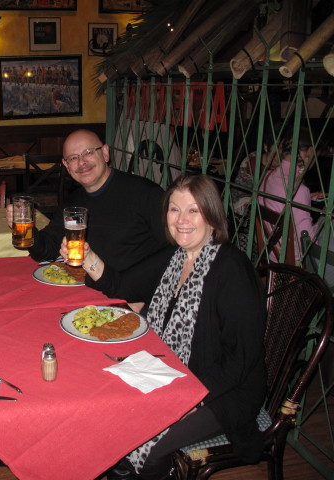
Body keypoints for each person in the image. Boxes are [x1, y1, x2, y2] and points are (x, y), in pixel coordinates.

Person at [73, 175, 266, 480]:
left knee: (146, 449)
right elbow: (123, 285)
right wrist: (88, 257)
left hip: (222, 393)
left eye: (193, 210)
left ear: (212, 216)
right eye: (174, 210)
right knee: (106, 409)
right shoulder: (175, 257)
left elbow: (240, 359)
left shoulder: (232, 269)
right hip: (171, 371)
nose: (182, 220)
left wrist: (190, 398)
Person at [6, 129, 171, 294]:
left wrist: (139, 295)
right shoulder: (73, 202)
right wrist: (25, 229)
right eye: (73, 158)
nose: (82, 162)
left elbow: (172, 252)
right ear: (66, 166)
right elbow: (47, 250)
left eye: (88, 152)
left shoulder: (145, 194)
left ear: (105, 153)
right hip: (92, 290)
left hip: (135, 295)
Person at [261, 129, 319, 262]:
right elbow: (308, 243)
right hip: (293, 263)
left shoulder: (267, 176)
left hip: (270, 255)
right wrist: (322, 222)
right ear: (310, 151)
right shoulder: (299, 190)